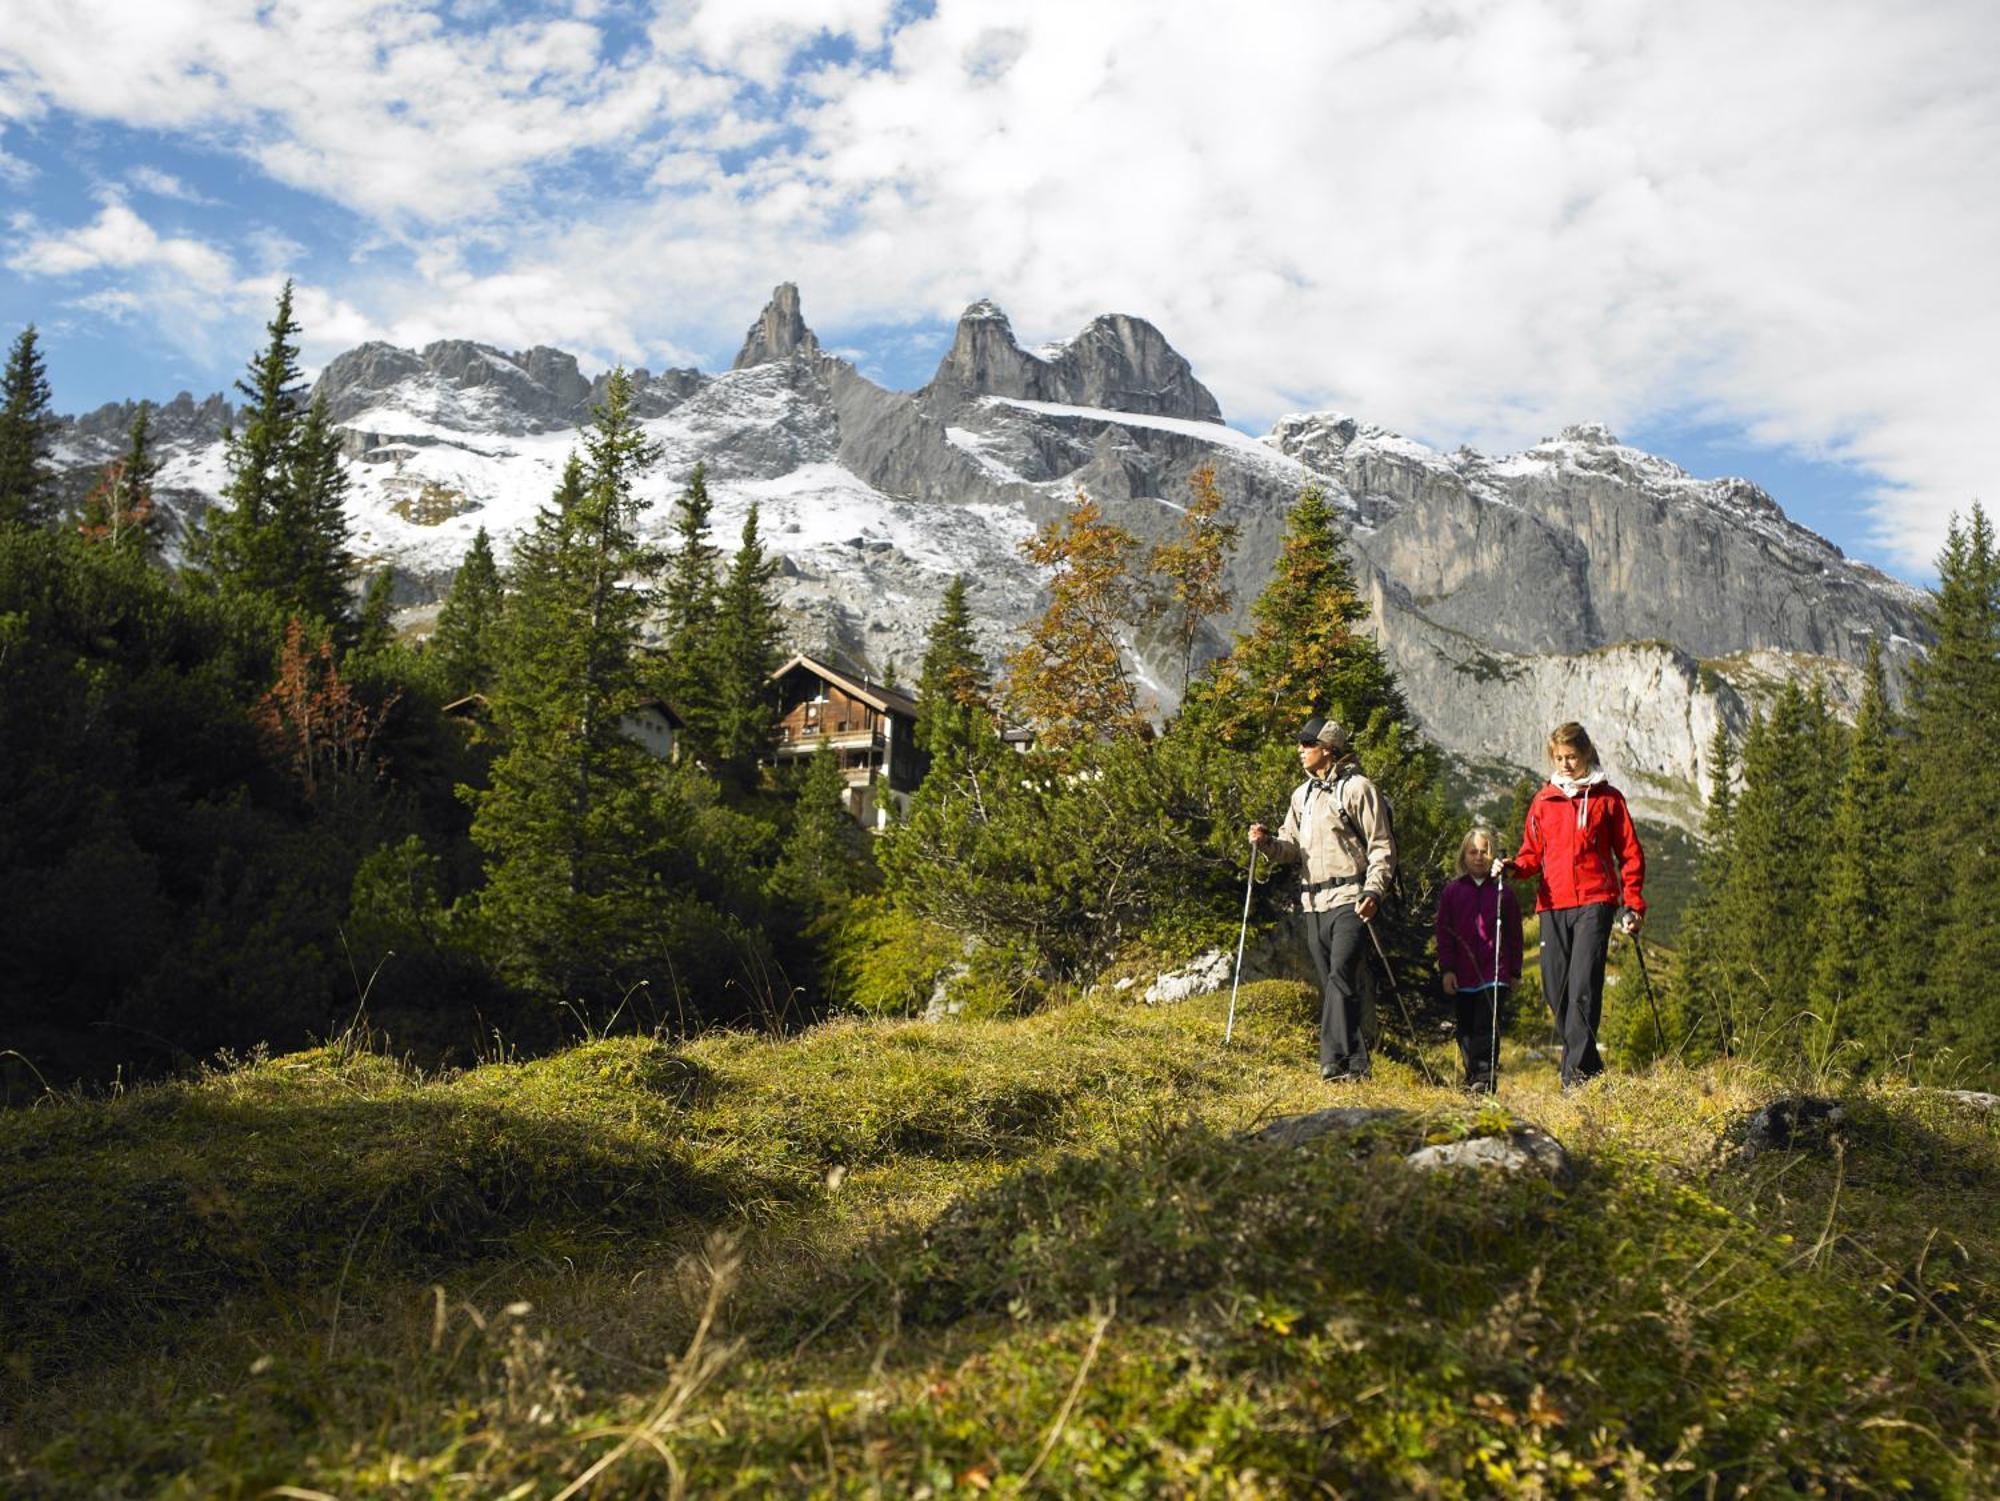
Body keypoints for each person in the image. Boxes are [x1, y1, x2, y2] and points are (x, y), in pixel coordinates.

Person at [1495, 722, 1645, 1090]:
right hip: (1552, 903)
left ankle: (1574, 1080)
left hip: (1596, 902)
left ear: (1586, 754)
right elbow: (1531, 855)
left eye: (1572, 757)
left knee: (1582, 988)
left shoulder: (1609, 799)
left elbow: (1629, 854)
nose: (1565, 764)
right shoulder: (1543, 800)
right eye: (1559, 758)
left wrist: (1634, 903)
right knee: (1554, 987)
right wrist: (1512, 867)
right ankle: (1591, 1069)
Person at [1248, 717, 1396, 1081]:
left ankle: (1330, 1061)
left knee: (1340, 976)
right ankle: (1357, 1066)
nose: (1300, 749)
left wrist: (1374, 889)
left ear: (1327, 749)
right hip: (1312, 903)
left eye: (1307, 743)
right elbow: (1291, 848)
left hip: (1351, 897)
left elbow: (1381, 846)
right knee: (1335, 981)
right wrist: (1267, 843)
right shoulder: (1302, 796)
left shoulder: (1359, 789)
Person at [1435, 827, 1523, 1092]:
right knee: (1466, 1029)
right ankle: (1472, 1075)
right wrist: (1447, 969)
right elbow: (1444, 933)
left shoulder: (1503, 893)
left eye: (1484, 851)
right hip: (1462, 973)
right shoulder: (1452, 891)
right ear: (1464, 856)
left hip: (1494, 972)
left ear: (1492, 855)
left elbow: (1515, 934)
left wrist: (1515, 971)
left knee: (1487, 1026)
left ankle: (1485, 1077)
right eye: (1473, 852)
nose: (1478, 857)